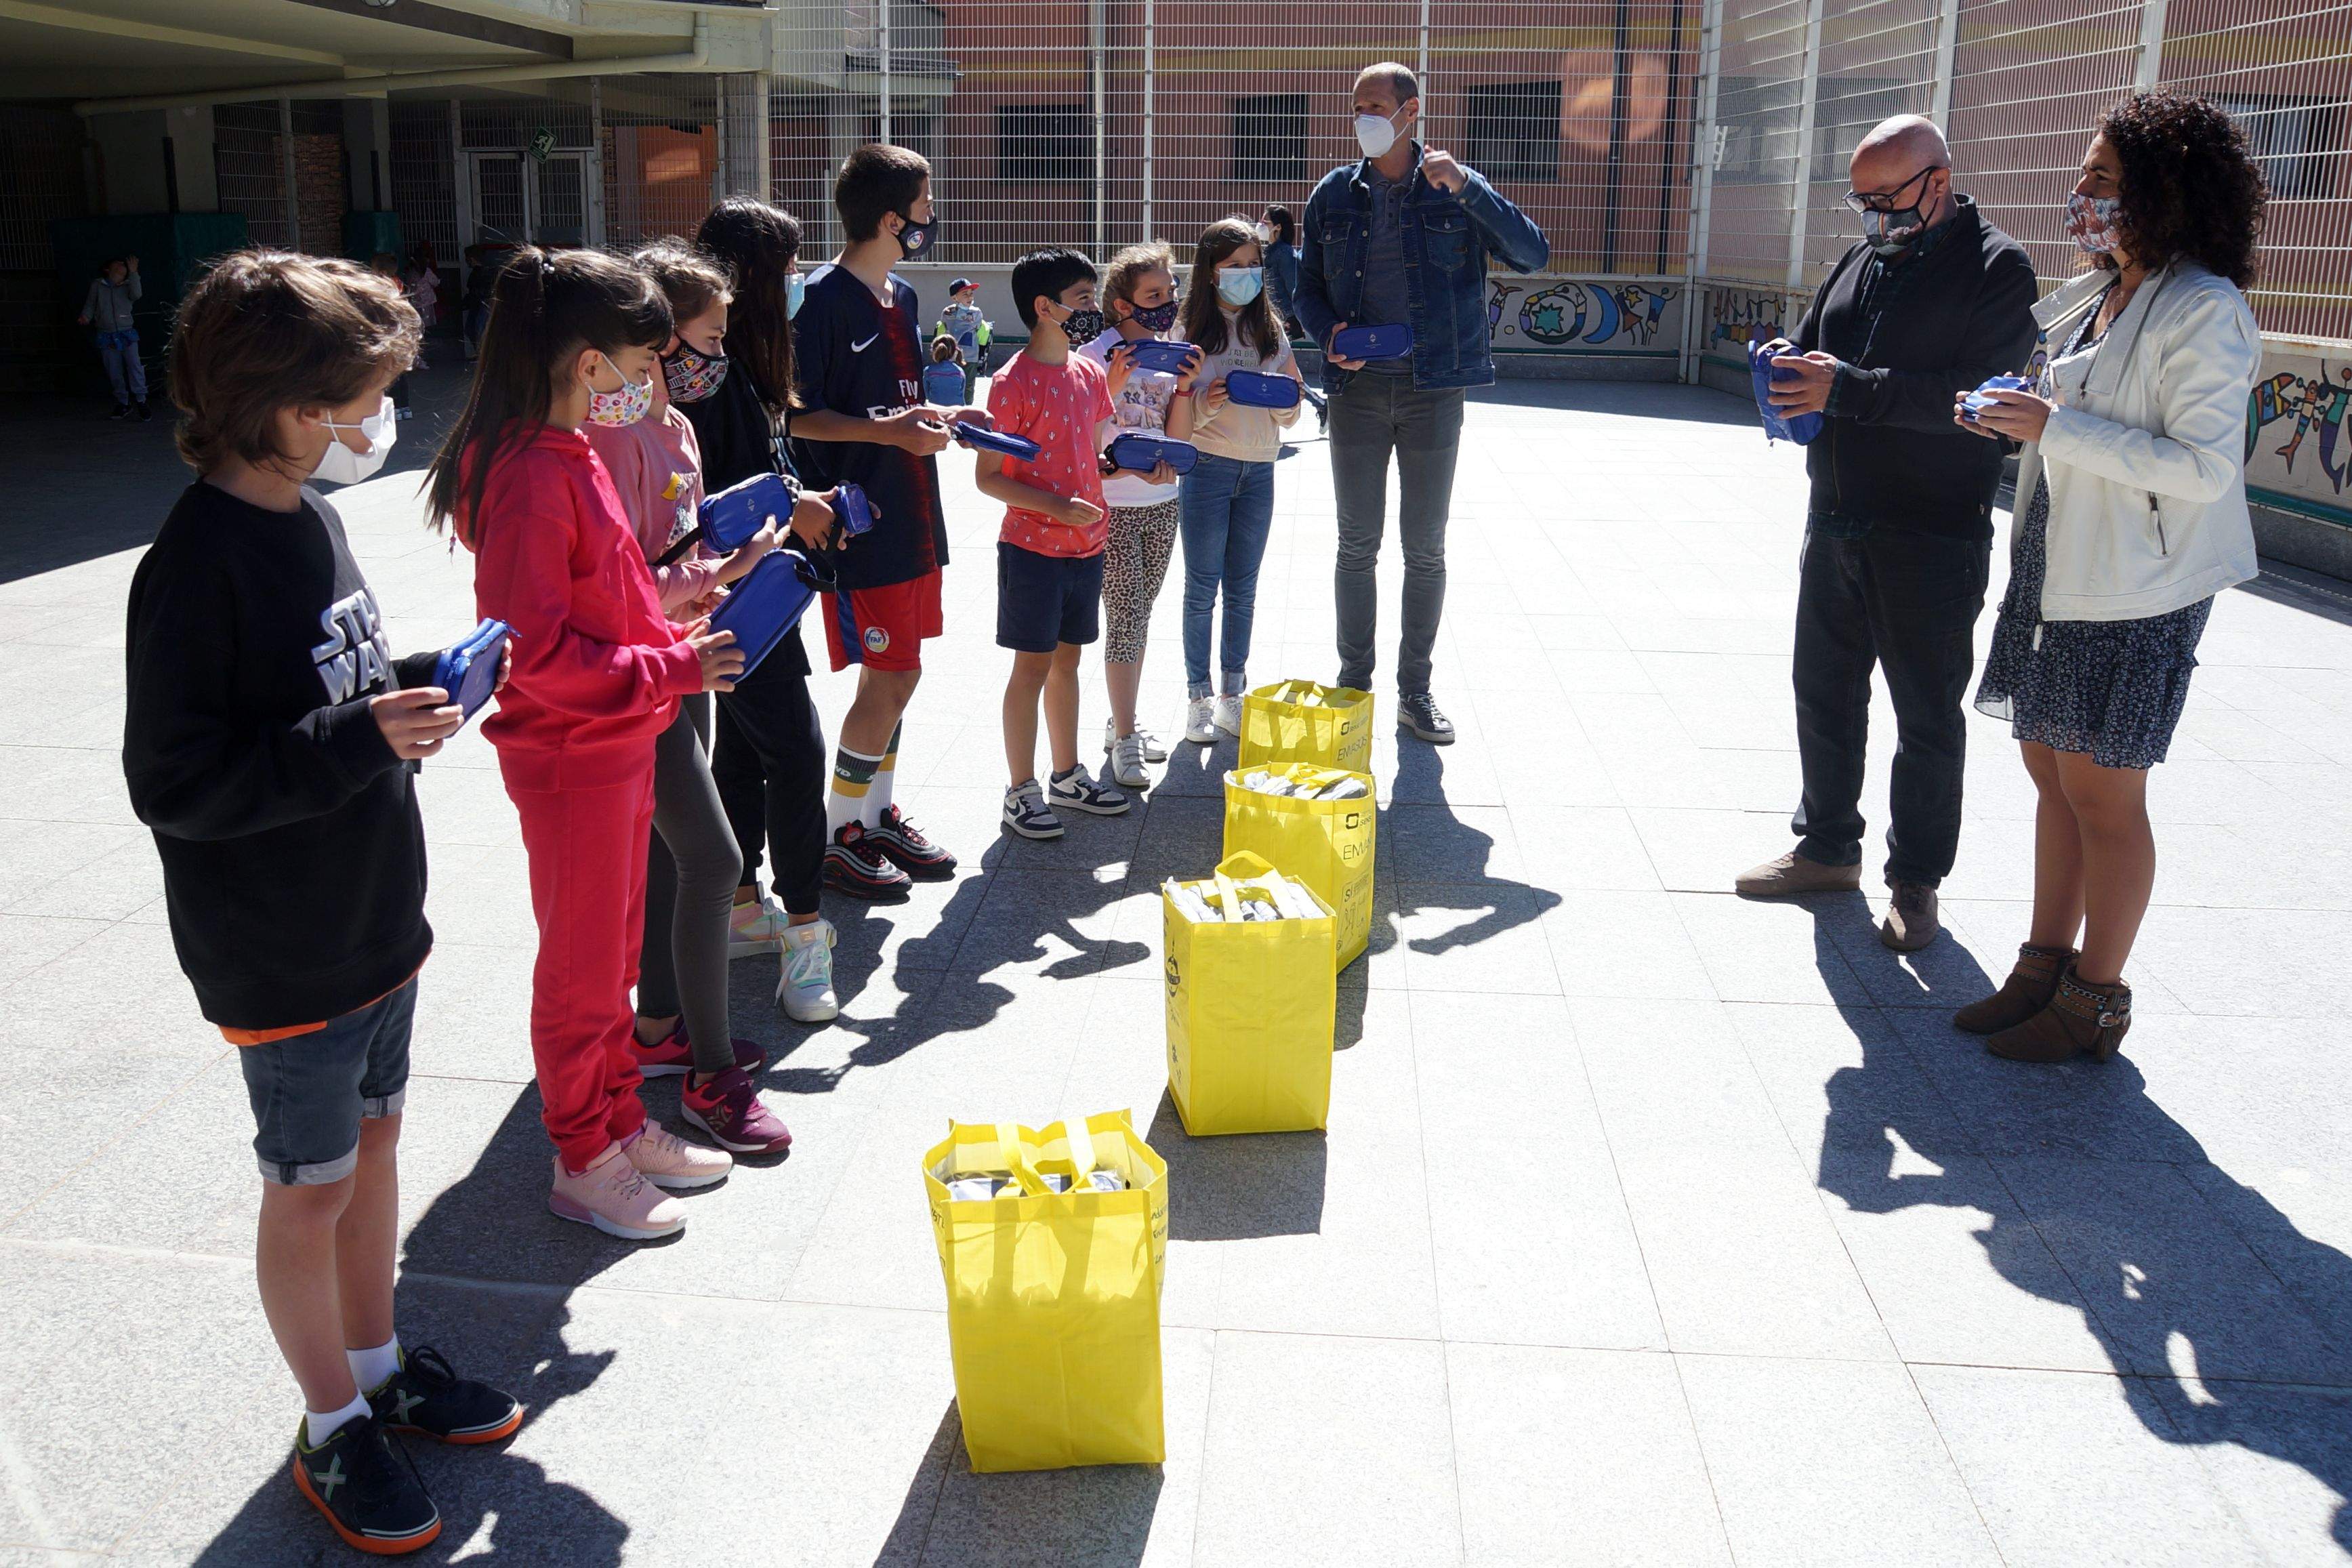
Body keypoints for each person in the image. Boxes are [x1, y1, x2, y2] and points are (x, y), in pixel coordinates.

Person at [123, 251, 520, 1557]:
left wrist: (407, 686)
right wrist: (360, 739)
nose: (375, 423)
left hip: (370, 919)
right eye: (360, 399)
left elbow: (321, 686)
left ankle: (380, 1356)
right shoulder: (194, 563)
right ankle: (331, 1416)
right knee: (309, 1188)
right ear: (284, 404)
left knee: (378, 1155)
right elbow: (177, 782)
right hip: (282, 949)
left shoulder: (308, 512)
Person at [426, 246, 743, 1241]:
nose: (652, 381)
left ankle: (614, 1118)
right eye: (641, 361)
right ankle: (582, 1154)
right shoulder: (528, 468)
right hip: (573, 751)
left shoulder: (567, 448)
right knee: (580, 969)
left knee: (609, 955)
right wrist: (671, 671)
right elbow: (536, 653)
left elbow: (601, 600)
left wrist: (671, 615)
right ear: (584, 360)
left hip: (615, 737)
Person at [1952, 92, 2266, 1063]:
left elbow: (2202, 469)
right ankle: (2040, 965)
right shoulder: (2106, 289)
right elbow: (2076, 412)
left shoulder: (2203, 308)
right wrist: (2015, 413)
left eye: (2100, 177)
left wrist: (2053, 427)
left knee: (2104, 796)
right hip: (2061, 561)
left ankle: (2095, 996)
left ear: (2163, 193)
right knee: (2048, 770)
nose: (2078, 190)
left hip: (2139, 585)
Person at [1730, 115, 2038, 955]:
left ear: (1938, 180)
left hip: (1930, 531)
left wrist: (1849, 388)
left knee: (1925, 715)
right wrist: (1797, 365)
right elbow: (1836, 359)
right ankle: (1827, 848)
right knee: (1824, 691)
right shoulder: (1868, 255)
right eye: (1861, 202)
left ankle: (1916, 883)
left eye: (1887, 200)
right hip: (1835, 515)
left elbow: (1981, 402)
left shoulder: (1997, 267)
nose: (1874, 219)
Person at [581, 239, 797, 1153]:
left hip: (689, 652)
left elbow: (673, 554)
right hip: (647, 670)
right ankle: (711, 1079)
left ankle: (661, 1028)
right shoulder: (606, 437)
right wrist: (715, 573)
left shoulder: (674, 427)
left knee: (678, 856)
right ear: (657, 344)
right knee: (712, 862)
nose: (719, 356)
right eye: (707, 340)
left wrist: (726, 567)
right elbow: (621, 584)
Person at [1294, 62, 1550, 745]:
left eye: (1376, 104)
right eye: (1356, 106)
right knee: (1356, 543)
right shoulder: (1333, 194)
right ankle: (1355, 683)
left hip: (1435, 388)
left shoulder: (1455, 190)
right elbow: (1303, 287)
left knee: (1425, 547)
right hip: (1356, 390)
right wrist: (1329, 335)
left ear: (1412, 110)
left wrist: (1468, 189)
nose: (1363, 117)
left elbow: (1532, 254)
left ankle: (1416, 689)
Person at [789, 144, 987, 894]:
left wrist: (939, 414)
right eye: (928, 206)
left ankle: (872, 817)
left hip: (915, 516)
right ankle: (839, 833)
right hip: (860, 525)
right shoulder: (821, 300)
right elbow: (800, 421)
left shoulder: (901, 297)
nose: (935, 217)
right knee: (889, 674)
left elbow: (895, 406)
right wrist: (890, 432)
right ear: (891, 218)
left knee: (901, 675)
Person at [682, 197, 846, 1015]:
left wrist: (807, 500)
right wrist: (791, 497)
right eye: (784, 270)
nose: (795, 285)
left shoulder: (740, 366)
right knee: (797, 752)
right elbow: (709, 496)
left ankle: (745, 906)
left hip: (765, 586)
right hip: (730, 595)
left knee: (744, 755)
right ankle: (808, 939)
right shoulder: (703, 377)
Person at [979, 246, 1131, 838]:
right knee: (1032, 666)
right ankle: (1020, 789)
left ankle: (1066, 775)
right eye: (1082, 300)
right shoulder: (1010, 384)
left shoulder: (1089, 374)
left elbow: (1090, 455)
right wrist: (1056, 507)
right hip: (1032, 549)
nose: (1092, 311)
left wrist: (1130, 465)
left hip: (1086, 545)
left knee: (1068, 659)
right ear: (1044, 308)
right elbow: (989, 477)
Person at [1176, 215, 1306, 745]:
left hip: (1259, 471)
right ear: (1210, 271)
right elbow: (1174, 413)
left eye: (1253, 266)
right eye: (1234, 267)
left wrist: (1283, 402)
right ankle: (1197, 699)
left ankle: (1233, 695)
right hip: (1206, 468)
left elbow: (1294, 408)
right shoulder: (1188, 333)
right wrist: (1204, 406)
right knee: (1201, 590)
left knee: (1244, 591)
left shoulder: (1270, 329)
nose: (1246, 275)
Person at [1077, 239, 1201, 787]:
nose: (1167, 302)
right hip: (1114, 509)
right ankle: (1124, 738)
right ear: (1122, 304)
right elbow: (1079, 438)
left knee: (1139, 618)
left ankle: (1119, 722)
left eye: (1170, 290)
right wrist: (1112, 386)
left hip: (1161, 504)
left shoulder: (1174, 352)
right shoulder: (1094, 356)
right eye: (1153, 294)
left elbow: (1178, 441)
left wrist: (1187, 389)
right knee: (1125, 621)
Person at [1258, 203, 1327, 428]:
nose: (1260, 226)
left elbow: (1295, 288)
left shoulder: (1284, 254)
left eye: (1264, 222)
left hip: (1283, 320)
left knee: (1279, 367)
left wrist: (1292, 319)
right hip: (1269, 317)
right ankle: (1319, 404)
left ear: (1277, 228)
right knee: (1277, 367)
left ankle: (1318, 403)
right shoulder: (1267, 252)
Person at [78, 255, 148, 419]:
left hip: (127, 334)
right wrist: (85, 317)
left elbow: (137, 295)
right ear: (107, 269)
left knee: (135, 367)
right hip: (106, 335)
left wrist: (134, 273)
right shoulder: (97, 285)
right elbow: (90, 305)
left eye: (124, 265)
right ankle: (124, 403)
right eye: (118, 264)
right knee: (114, 370)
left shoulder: (129, 285)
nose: (122, 265)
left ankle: (141, 401)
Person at [936, 276, 989, 381]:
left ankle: (967, 399)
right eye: (965, 294)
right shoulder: (948, 313)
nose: (970, 297)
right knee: (953, 383)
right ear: (955, 298)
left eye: (971, 294)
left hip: (970, 357)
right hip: (951, 357)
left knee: (968, 385)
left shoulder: (976, 313)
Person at [925, 331, 969, 408]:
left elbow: (927, 395)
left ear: (935, 352)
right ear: (954, 352)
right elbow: (962, 394)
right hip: (957, 412)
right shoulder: (960, 372)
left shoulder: (929, 371)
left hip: (936, 411)